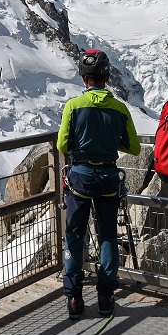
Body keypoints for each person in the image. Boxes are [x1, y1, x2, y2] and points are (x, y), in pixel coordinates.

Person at [58, 48, 140, 319]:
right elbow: (135, 147)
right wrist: (109, 141)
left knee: (74, 235)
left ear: (84, 78)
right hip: (107, 178)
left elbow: (62, 144)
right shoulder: (119, 107)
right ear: (107, 76)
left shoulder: (73, 106)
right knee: (107, 236)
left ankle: (74, 297)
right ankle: (105, 297)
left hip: (79, 177)